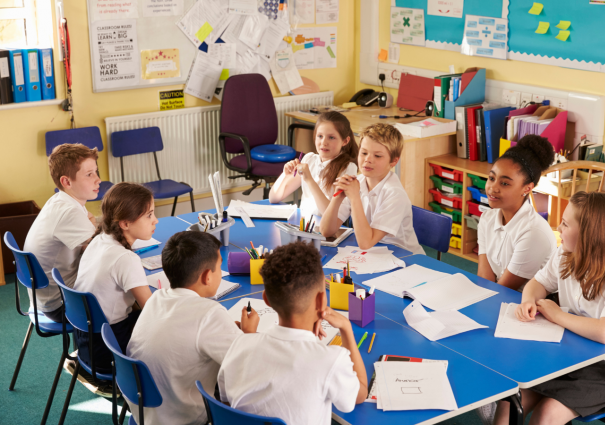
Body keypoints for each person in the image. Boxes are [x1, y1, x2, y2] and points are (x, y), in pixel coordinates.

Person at [494, 191, 605, 425]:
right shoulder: (566, 253)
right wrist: (528, 299)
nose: (558, 227)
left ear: (590, 235)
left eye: (565, 224)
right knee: (511, 401)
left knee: (546, 414)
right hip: (571, 352)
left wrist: (556, 315)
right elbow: (538, 283)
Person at [218, 241, 368, 425]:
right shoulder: (331, 361)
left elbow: (225, 401)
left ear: (266, 299)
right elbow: (360, 394)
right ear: (322, 300)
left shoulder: (239, 344)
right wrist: (346, 328)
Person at [127, 231, 259, 425]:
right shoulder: (210, 313)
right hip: (184, 418)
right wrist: (248, 335)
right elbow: (246, 365)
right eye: (219, 266)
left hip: (143, 411)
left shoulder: (157, 297)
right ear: (207, 276)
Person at [73, 183, 156, 378]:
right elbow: (153, 311)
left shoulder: (99, 239)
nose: (156, 221)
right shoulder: (125, 258)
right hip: (108, 351)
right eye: (149, 215)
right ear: (125, 224)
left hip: (86, 344)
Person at [320, 123, 425, 255]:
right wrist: (337, 197)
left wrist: (354, 198)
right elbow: (325, 231)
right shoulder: (358, 182)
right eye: (364, 153)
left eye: (378, 156)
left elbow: (365, 243)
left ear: (393, 161)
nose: (368, 160)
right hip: (377, 253)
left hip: (406, 258)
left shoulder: (394, 194)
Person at [23, 143, 100, 322]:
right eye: (89, 174)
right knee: (126, 293)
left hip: (47, 297)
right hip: (62, 304)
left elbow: (91, 223)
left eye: (96, 172)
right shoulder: (68, 211)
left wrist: (91, 238)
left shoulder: (60, 199)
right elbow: (102, 253)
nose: (98, 179)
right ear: (67, 181)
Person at [477, 135, 557, 291]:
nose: (493, 187)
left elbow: (505, 289)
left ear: (527, 188)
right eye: (492, 178)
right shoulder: (487, 218)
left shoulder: (533, 232)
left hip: (529, 306)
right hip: (498, 297)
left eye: (505, 183)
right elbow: (484, 279)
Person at [269, 111, 358, 216]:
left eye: (331, 137)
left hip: (325, 230)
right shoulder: (309, 159)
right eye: (320, 136)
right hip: (303, 226)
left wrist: (310, 180)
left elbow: (330, 217)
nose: (324, 142)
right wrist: (285, 175)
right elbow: (273, 198)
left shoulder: (348, 168)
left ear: (345, 141)